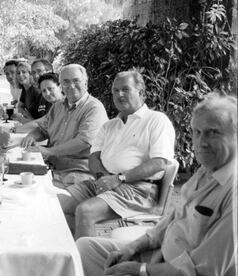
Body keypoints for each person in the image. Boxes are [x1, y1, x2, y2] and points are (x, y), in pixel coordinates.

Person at [76, 93, 237, 276]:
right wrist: (133, 247)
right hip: (159, 256)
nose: (201, 143)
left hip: (176, 271)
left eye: (213, 132)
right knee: (86, 248)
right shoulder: (204, 172)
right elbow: (171, 221)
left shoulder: (233, 191)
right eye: (197, 132)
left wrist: (141, 270)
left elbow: (205, 271)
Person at [59, 71, 176, 239]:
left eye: (125, 89)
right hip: (102, 181)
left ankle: (87, 261)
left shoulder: (156, 120)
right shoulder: (109, 125)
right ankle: (76, 251)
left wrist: (120, 179)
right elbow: (94, 158)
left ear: (141, 92)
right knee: (55, 204)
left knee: (85, 211)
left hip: (137, 189)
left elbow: (160, 162)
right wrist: (105, 178)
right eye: (115, 90)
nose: (119, 94)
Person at [21, 64, 108, 188]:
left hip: (77, 173)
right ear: (61, 85)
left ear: (86, 82)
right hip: (52, 168)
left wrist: (48, 151)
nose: (71, 86)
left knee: (39, 197)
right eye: (66, 82)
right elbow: (42, 129)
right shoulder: (58, 106)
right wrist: (31, 136)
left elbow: (83, 142)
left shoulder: (94, 108)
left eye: (76, 80)